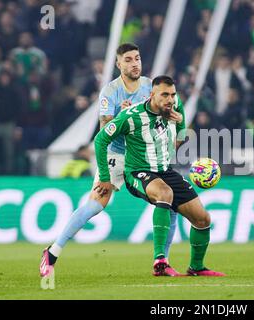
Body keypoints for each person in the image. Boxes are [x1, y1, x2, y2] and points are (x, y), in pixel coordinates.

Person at [39, 43, 179, 277]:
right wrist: (122, 115)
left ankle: (162, 261)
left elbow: (164, 113)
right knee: (95, 205)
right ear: (118, 64)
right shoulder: (110, 91)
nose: (134, 63)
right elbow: (105, 128)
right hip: (117, 155)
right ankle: (52, 252)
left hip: (145, 156)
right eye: (128, 59)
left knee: (170, 202)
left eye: (137, 58)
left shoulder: (150, 86)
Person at [94, 75, 225, 277]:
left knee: (202, 219)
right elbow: (100, 140)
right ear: (152, 94)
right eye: (165, 95)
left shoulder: (172, 109)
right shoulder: (131, 116)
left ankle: (196, 267)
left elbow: (181, 123)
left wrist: (179, 135)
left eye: (172, 94)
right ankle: (160, 261)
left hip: (165, 171)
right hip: (138, 172)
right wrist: (104, 177)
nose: (170, 99)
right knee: (164, 193)